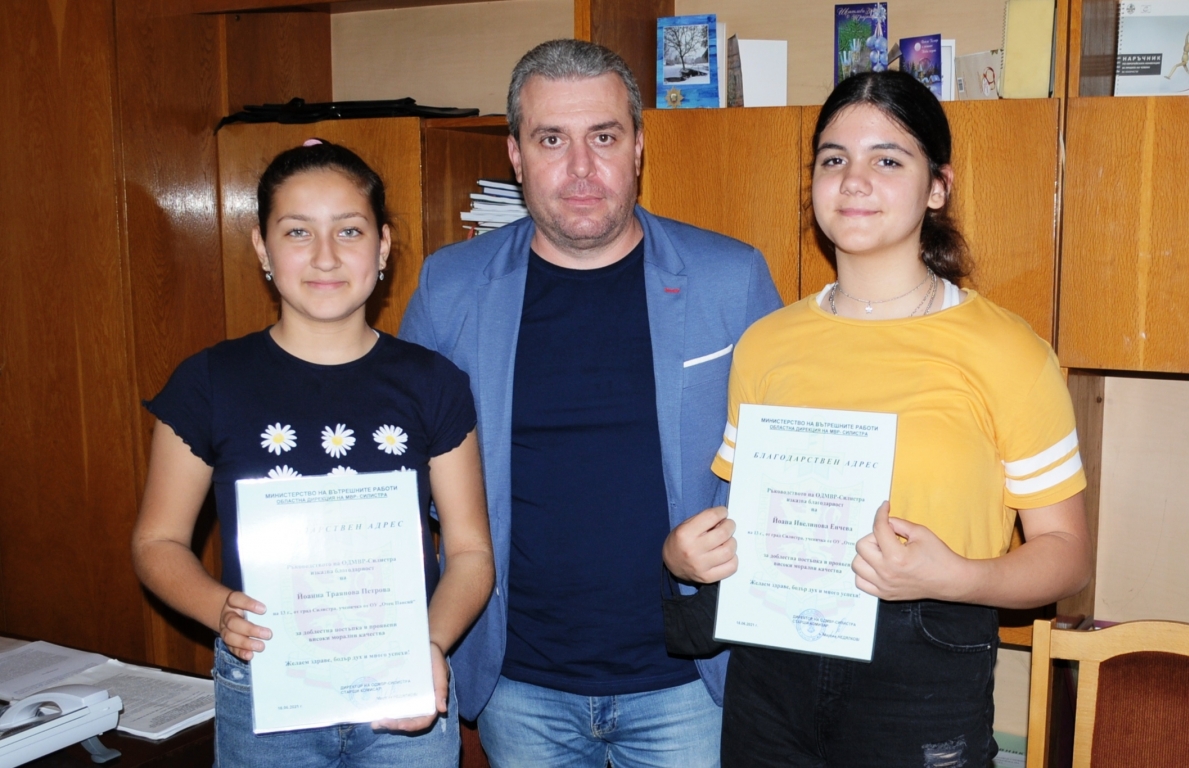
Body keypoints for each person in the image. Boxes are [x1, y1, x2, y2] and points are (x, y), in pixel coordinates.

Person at [399, 39, 782, 768]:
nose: (580, 167)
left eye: (603, 137)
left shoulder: (730, 278)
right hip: (519, 681)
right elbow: (401, 478)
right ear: (515, 156)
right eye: (551, 139)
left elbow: (782, 463)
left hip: (688, 679)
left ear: (637, 147)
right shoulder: (451, 287)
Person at [709, 70, 1093, 766]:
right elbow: (750, 519)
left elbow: (1067, 555)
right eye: (834, 159)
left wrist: (955, 577)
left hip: (925, 668)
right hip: (771, 666)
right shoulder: (764, 343)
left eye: (887, 160)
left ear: (938, 187)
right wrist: (697, 553)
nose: (854, 181)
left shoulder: (1009, 352)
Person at [132, 140, 494, 768]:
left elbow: (469, 552)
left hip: (401, 682)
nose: (325, 256)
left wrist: (429, 644)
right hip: (265, 682)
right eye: (297, 231)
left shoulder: (434, 383)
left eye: (349, 230)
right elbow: (156, 542)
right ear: (261, 248)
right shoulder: (210, 382)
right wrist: (220, 609)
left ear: (382, 246)